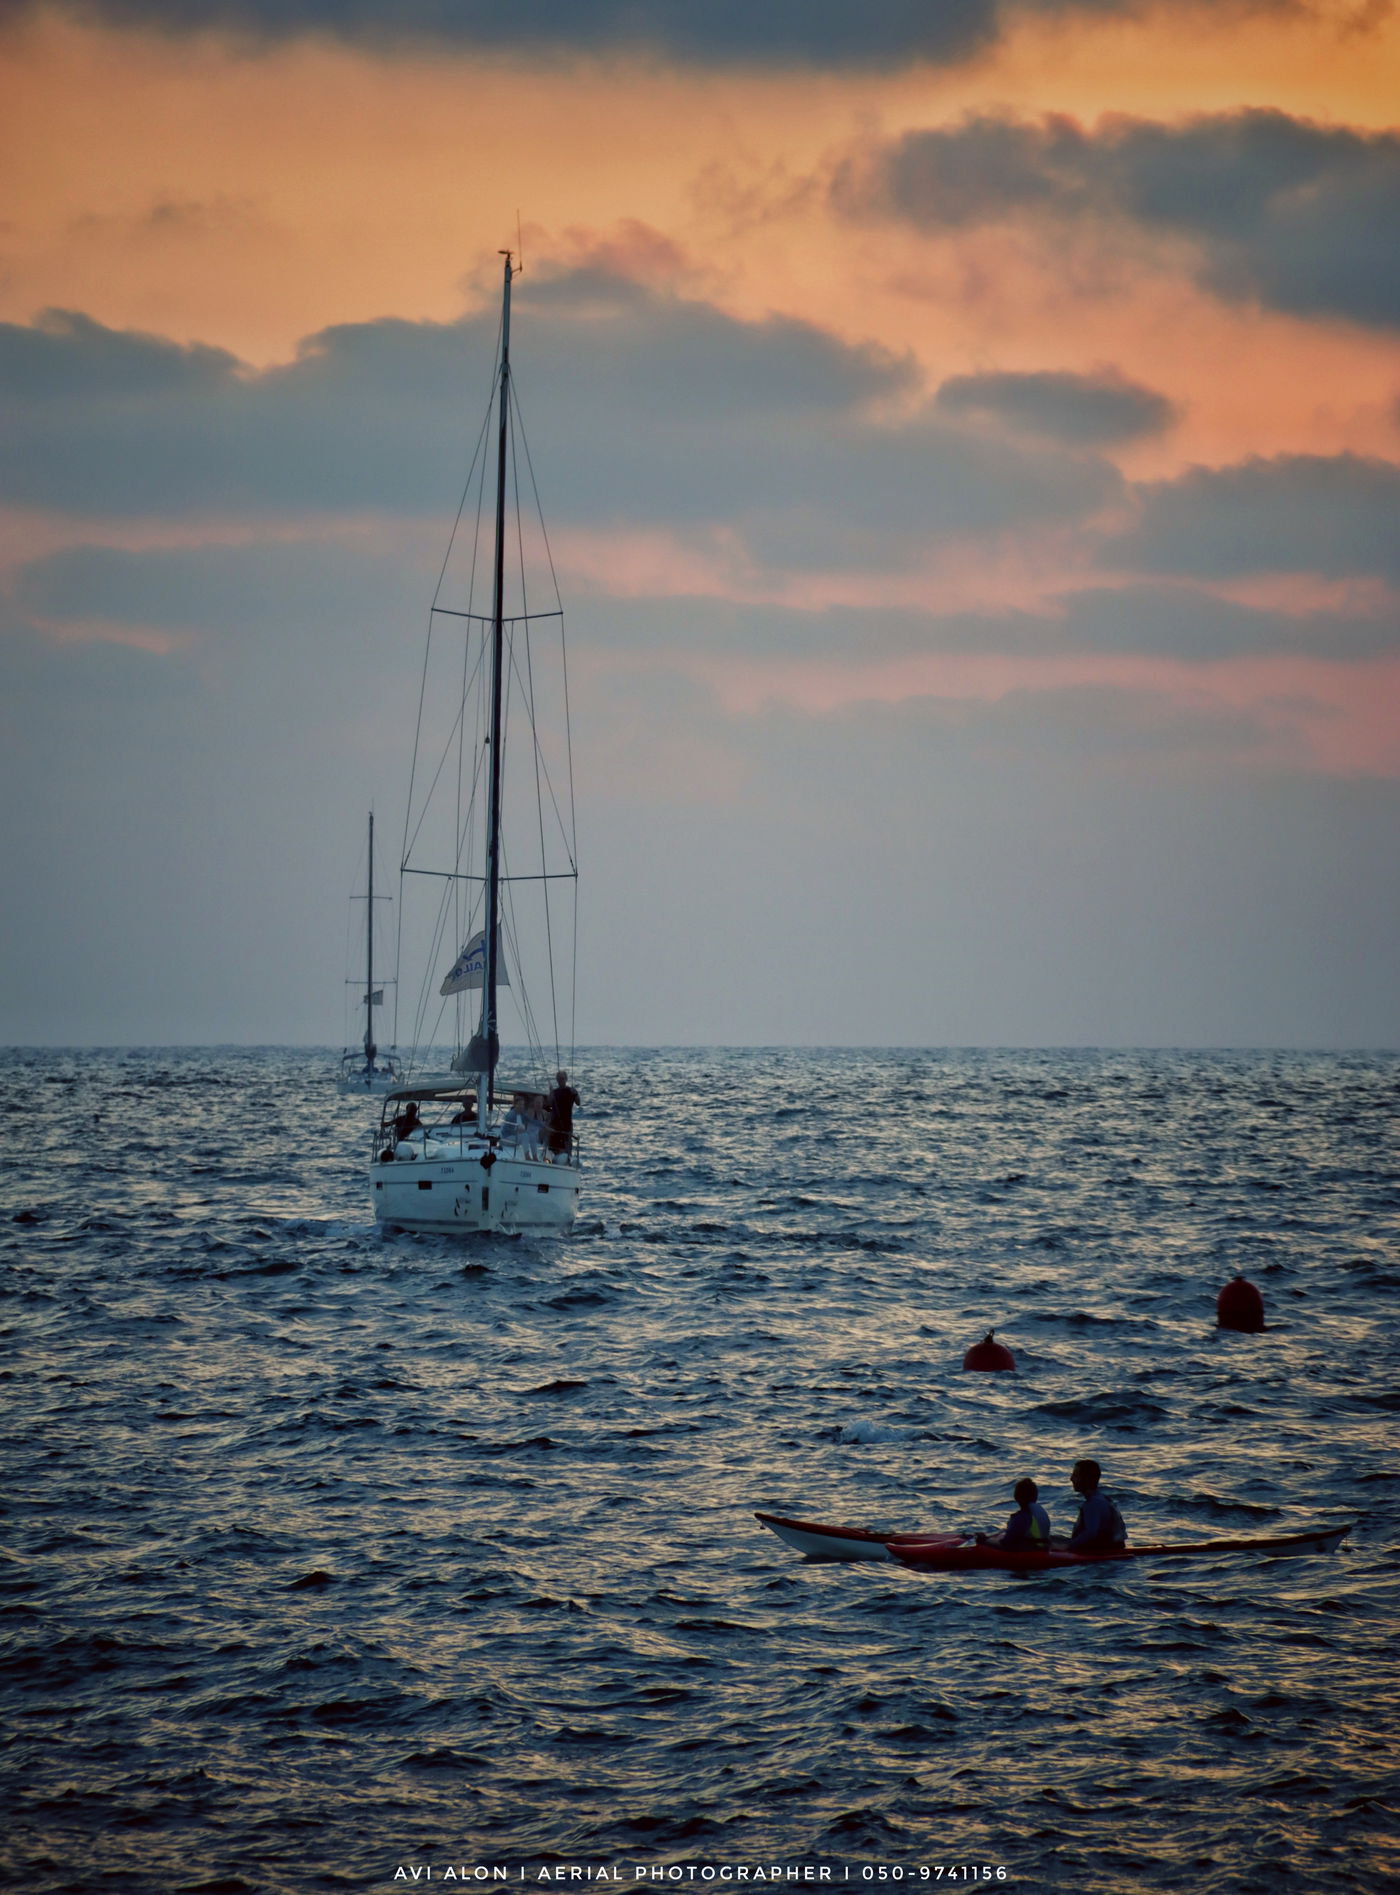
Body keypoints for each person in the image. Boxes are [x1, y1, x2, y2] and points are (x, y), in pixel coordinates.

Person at [1065, 1459, 1127, 1552]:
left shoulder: (1093, 1504)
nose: (1071, 1479)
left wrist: (1069, 1547)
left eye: (1075, 1476)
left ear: (1086, 1479)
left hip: (1101, 1552)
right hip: (1113, 1548)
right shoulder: (1102, 1499)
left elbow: (1090, 1533)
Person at [998, 1478, 1052, 1549]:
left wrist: (984, 1539)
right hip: (1042, 1548)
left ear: (1016, 1497)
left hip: (1029, 1552)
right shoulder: (1039, 1511)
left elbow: (1006, 1541)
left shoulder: (1021, 1517)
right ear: (1035, 1497)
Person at [546, 1069, 580, 1160]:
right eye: (559, 1079)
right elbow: (548, 1103)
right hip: (555, 1123)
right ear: (557, 1080)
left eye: (563, 1078)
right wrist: (550, 1093)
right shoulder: (555, 1092)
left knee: (567, 1146)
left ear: (566, 1079)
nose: (561, 1080)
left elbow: (578, 1103)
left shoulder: (570, 1091)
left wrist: (576, 1093)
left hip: (567, 1123)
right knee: (553, 1147)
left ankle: (568, 1160)